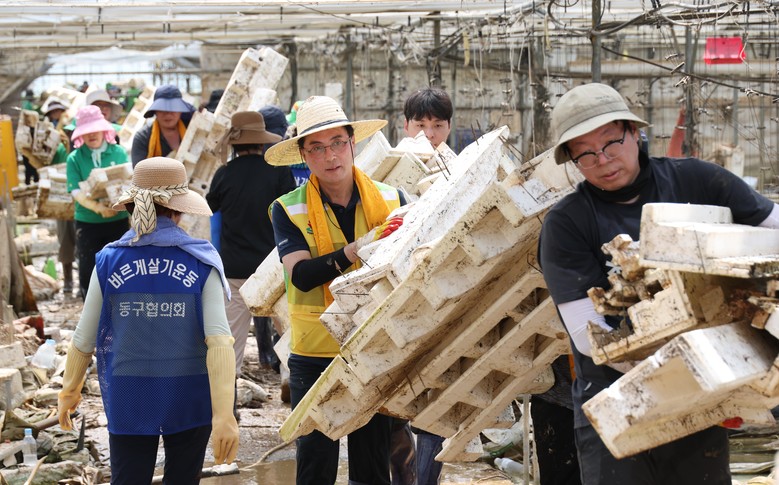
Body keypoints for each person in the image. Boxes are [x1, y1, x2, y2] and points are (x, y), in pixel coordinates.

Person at [538, 82, 779, 485]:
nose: (603, 160)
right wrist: (672, 369)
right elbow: (586, 334)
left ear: (634, 132)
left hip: (701, 396)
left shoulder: (699, 182)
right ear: (574, 161)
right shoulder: (567, 223)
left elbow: (772, 228)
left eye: (611, 142)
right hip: (617, 403)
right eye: (586, 154)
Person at [57, 157, 239, 484]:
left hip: (129, 388)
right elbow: (219, 340)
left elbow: (84, 337)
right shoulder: (201, 260)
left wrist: (69, 389)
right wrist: (224, 413)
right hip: (189, 388)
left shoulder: (109, 261)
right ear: (179, 210)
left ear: (131, 207)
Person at [266, 96, 405, 485]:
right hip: (314, 351)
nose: (330, 156)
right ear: (303, 155)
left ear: (352, 143)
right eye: (317, 148)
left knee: (372, 465)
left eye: (338, 143)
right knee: (315, 462)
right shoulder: (287, 209)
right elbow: (301, 275)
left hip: (373, 346)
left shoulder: (392, 199)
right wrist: (356, 249)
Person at [206, 108, 296, 376]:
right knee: (288, 331)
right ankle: (290, 379)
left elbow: (211, 209)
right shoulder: (279, 172)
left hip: (234, 268)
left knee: (231, 338)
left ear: (235, 145)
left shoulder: (223, 174)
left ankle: (227, 389)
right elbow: (292, 210)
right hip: (272, 266)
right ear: (262, 141)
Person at [66, 105, 130, 300]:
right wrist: (96, 207)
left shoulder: (119, 152)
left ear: (104, 129)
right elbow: (75, 190)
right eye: (86, 131)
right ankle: (91, 307)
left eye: (95, 129)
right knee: (88, 268)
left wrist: (119, 205)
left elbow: (127, 182)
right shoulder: (74, 159)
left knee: (120, 267)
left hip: (117, 220)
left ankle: (119, 306)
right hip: (88, 223)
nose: (92, 134)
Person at [131, 84, 195, 166]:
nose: (168, 114)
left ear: (180, 111)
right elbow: (139, 171)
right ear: (155, 111)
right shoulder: (143, 138)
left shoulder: (193, 130)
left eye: (173, 108)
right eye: (162, 109)